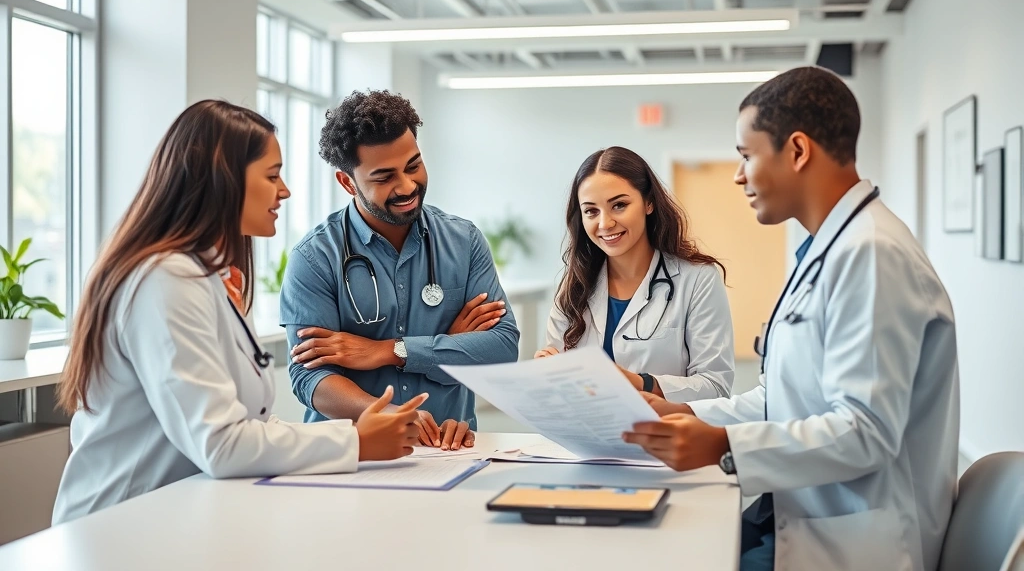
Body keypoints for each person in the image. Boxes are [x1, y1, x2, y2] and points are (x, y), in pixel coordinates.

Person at [623, 66, 960, 571]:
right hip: (802, 510)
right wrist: (693, 416)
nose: (739, 175)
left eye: (746, 155)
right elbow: (790, 399)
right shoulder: (829, 249)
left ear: (798, 151)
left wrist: (723, 444)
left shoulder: (870, 253)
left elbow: (864, 429)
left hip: (860, 538)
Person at [52, 100, 425, 525]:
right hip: (118, 526)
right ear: (223, 181)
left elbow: (249, 425)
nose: (283, 190)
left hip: (176, 517)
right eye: (271, 176)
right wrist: (355, 441)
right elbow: (221, 444)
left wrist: (358, 434)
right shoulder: (165, 279)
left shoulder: (212, 276)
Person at [282, 90, 519, 451]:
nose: (407, 186)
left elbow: (501, 347)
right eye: (384, 177)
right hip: (353, 457)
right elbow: (310, 375)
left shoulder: (463, 241)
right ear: (348, 182)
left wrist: (389, 351)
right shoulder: (315, 257)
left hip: (448, 447)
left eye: (413, 166)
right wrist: (393, 415)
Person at [535, 146, 734, 403]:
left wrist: (642, 383)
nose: (605, 223)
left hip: (662, 437)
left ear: (648, 202)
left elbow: (716, 386)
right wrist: (546, 374)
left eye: (619, 205)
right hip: (587, 437)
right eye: (591, 211)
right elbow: (559, 384)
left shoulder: (697, 279)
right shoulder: (574, 286)